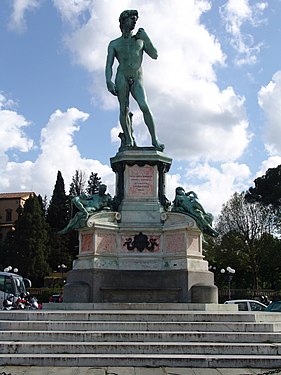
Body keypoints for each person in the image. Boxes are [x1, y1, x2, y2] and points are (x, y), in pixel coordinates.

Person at [105, 9, 164, 151]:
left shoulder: (140, 39)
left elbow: (155, 55)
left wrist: (147, 38)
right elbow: (109, 65)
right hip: (122, 76)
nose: (134, 21)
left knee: (144, 106)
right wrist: (108, 81)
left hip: (137, 77)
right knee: (123, 109)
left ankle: (155, 140)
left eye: (135, 19)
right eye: (131, 18)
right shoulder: (114, 43)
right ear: (123, 21)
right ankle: (128, 139)